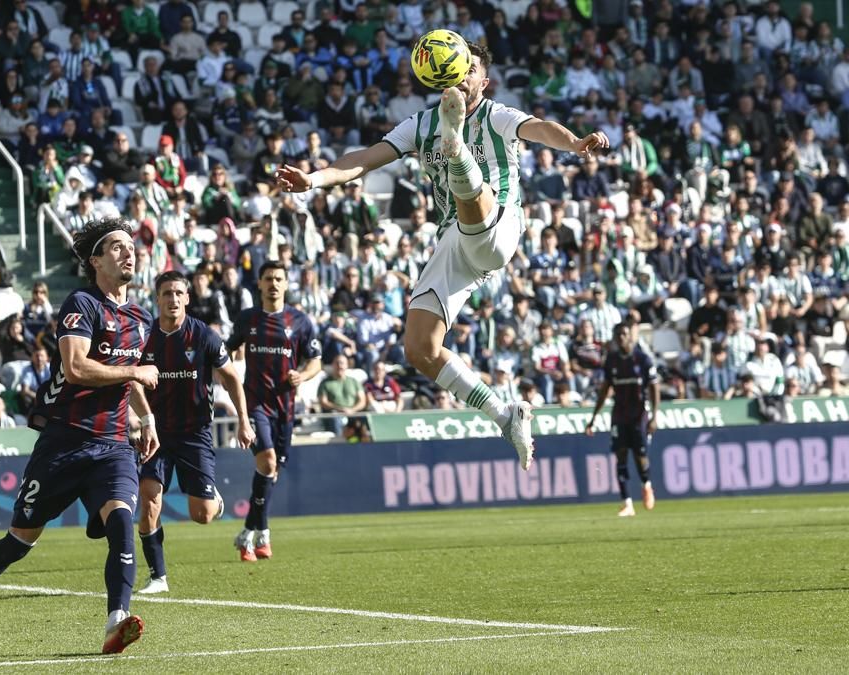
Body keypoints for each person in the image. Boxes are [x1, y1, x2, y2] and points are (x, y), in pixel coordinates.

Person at [276, 41, 608, 471]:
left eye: (471, 70)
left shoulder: (497, 114)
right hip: (453, 238)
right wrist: (316, 178)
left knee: (474, 197)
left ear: (482, 82)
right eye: (459, 67)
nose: (463, 74)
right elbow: (365, 159)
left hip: (500, 223)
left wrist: (576, 142)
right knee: (419, 348)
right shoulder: (418, 124)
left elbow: (542, 128)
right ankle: (505, 416)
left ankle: (458, 155)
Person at [0, 218, 158, 655]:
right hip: (63, 443)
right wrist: (135, 370)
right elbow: (77, 368)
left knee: (122, 523)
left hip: (111, 444)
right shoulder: (81, 303)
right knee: (19, 542)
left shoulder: (141, 318)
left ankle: (116, 620)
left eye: (131, 246)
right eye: (116, 247)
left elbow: (125, 385)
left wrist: (146, 420)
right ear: (95, 261)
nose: (128, 252)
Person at [136, 271, 254, 594]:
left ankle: (213, 499)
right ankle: (158, 576)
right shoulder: (144, 337)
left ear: (187, 298)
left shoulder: (203, 336)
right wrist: (139, 419)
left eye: (178, 293)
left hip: (195, 433)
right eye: (166, 294)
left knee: (201, 515)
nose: (172, 299)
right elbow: (130, 380)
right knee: (149, 498)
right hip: (156, 432)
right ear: (157, 298)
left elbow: (230, 378)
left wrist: (243, 419)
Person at [226, 261, 322, 561]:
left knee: (271, 471)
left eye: (279, 279)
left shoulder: (300, 321)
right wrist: (224, 376)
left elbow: (316, 360)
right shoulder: (247, 319)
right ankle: (263, 534)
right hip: (255, 405)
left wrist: (302, 376)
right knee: (266, 461)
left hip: (285, 409)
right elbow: (226, 350)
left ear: (286, 283)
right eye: (268, 278)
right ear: (259, 283)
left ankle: (248, 534)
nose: (273, 284)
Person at [584, 322, 659, 518]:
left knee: (640, 456)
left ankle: (647, 485)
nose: (621, 338)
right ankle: (627, 503)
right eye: (617, 335)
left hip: (639, 416)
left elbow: (654, 387)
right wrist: (594, 417)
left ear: (631, 336)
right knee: (621, 456)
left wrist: (655, 416)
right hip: (619, 415)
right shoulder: (612, 360)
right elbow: (605, 389)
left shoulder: (642, 359)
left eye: (624, 334)